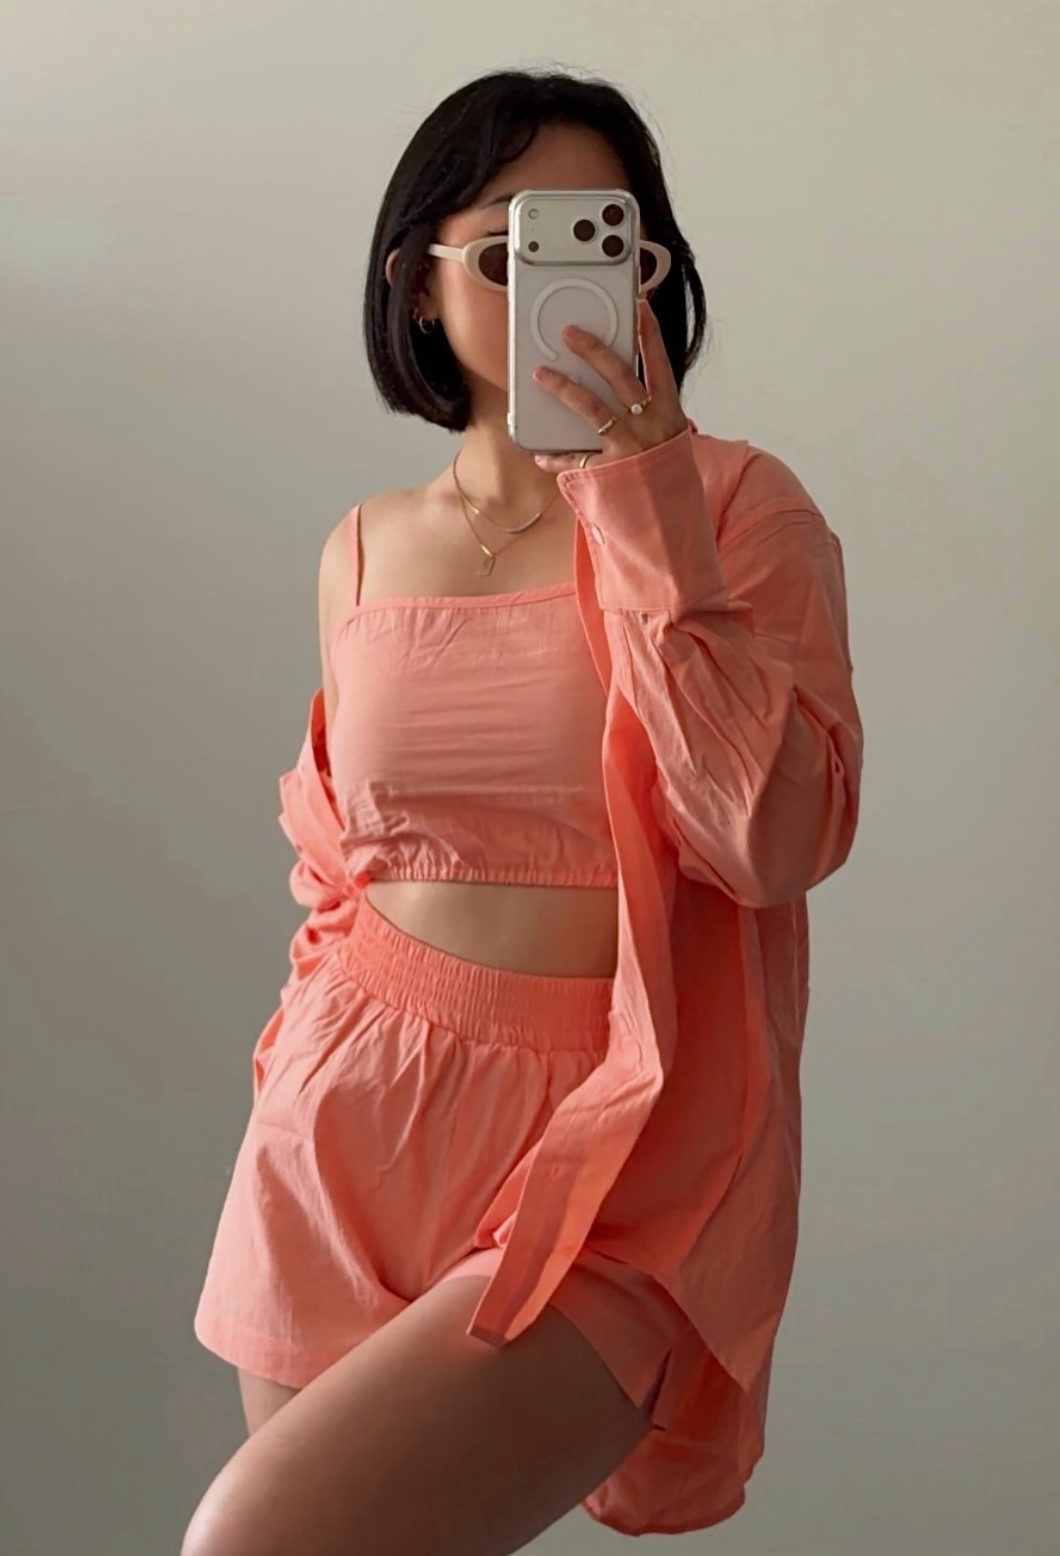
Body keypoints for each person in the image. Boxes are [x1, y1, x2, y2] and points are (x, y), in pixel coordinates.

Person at [184, 65, 864, 1556]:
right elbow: (342, 868)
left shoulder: (740, 510)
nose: (559, 285)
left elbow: (768, 841)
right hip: (345, 1126)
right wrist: (296, 1074)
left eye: (604, 244)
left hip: (620, 1153)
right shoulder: (363, 549)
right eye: (506, 251)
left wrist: (646, 501)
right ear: (416, 288)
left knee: (256, 1537)